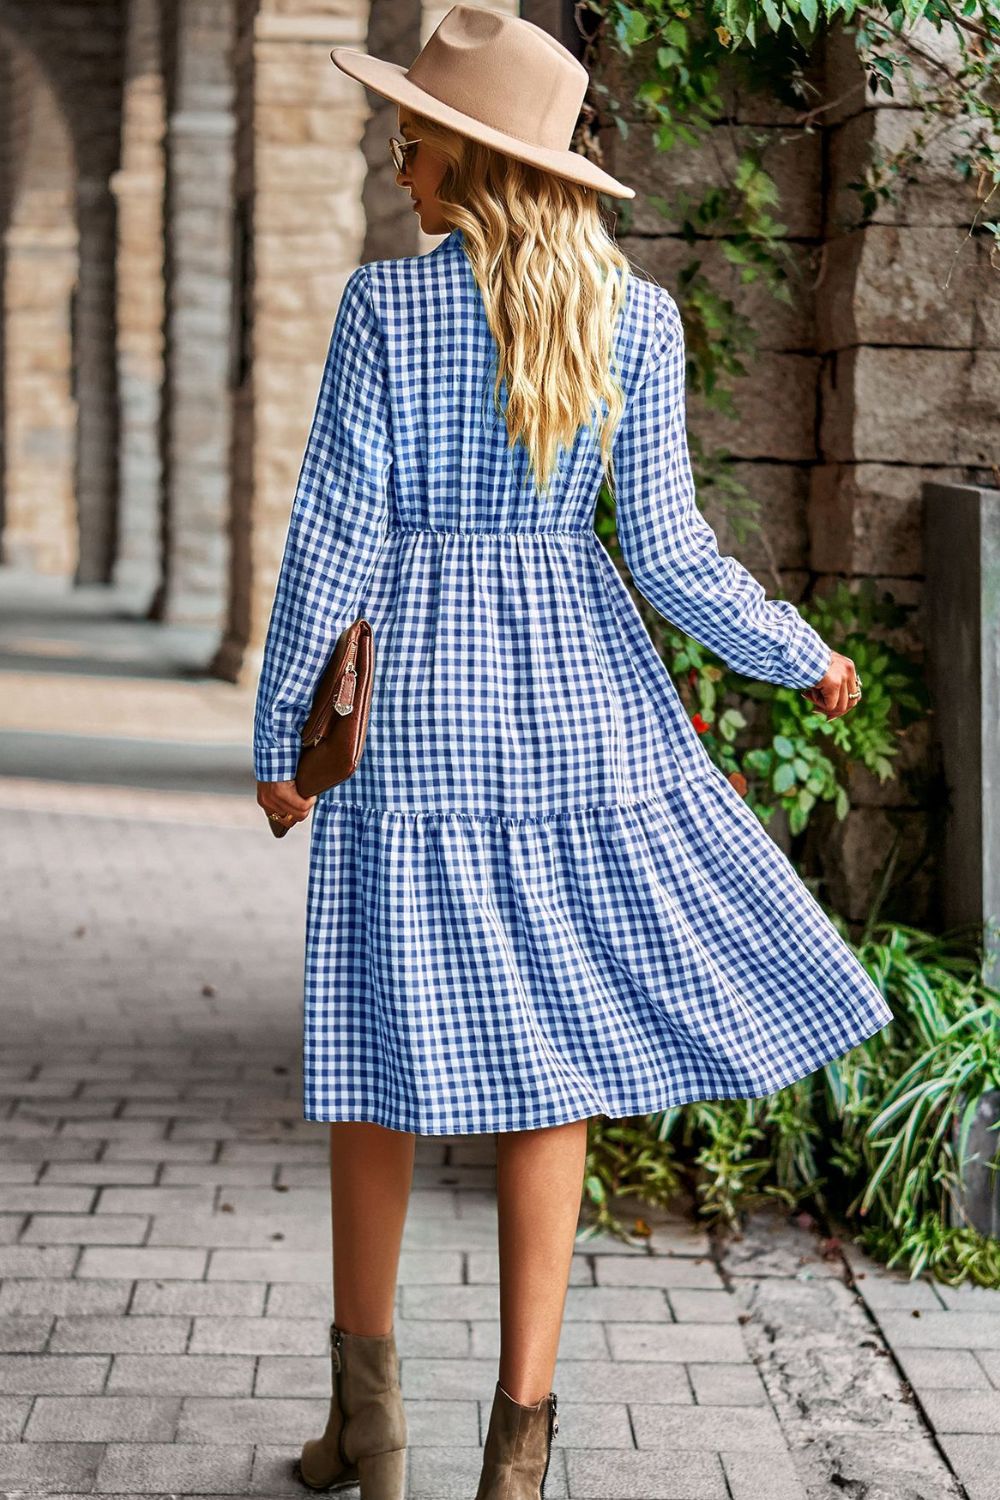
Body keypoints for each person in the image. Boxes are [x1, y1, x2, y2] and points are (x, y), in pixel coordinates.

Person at [252, 7, 894, 1497]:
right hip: (574, 707)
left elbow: (336, 538)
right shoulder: (637, 318)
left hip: (415, 710)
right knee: (552, 1067)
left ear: (472, 161)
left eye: (414, 147)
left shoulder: (385, 311)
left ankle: (371, 1425)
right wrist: (802, 653)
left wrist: (285, 730)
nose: (400, 172)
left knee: (378, 1054)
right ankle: (519, 1448)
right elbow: (668, 556)